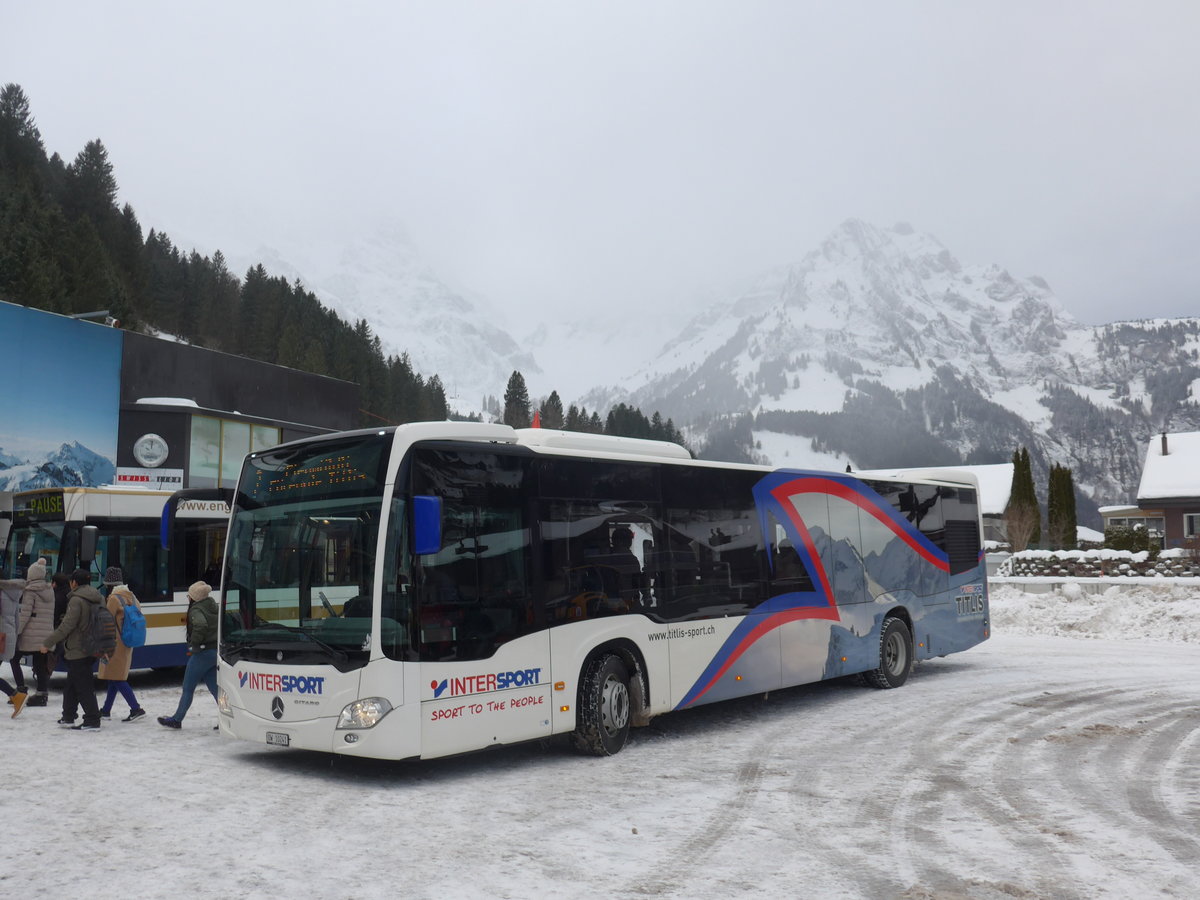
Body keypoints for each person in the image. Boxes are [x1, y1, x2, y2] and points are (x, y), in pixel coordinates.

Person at [39, 568, 104, 731]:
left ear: (74, 583)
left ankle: (92, 719)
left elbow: (67, 626)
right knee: (72, 683)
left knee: (83, 686)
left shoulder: (77, 600)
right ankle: (68, 715)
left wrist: (48, 643)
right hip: (92, 646)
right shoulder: (98, 597)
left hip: (78, 649)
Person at [159, 581, 218, 729]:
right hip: (214, 651)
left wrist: (194, 644)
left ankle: (177, 719)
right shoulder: (213, 606)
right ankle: (230, 718)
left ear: (194, 598)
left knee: (188, 688)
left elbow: (201, 625)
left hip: (202, 653)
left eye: (189, 596)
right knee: (215, 689)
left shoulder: (196, 610)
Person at [97, 583, 146, 722]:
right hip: (127, 641)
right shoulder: (133, 598)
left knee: (117, 678)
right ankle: (106, 710)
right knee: (114, 675)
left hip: (114, 643)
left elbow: (106, 619)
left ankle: (136, 708)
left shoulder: (114, 599)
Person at [15, 557, 55, 706]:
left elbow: (25, 615)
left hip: (31, 633)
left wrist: (17, 631)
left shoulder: (30, 591)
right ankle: (42, 694)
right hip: (46, 633)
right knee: (39, 662)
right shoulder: (50, 590)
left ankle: (20, 691)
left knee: (14, 658)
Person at [0, 576, 27, 717]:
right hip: (8, 635)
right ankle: (16, 696)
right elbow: (17, 617)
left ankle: (16, 695)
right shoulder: (11, 592)